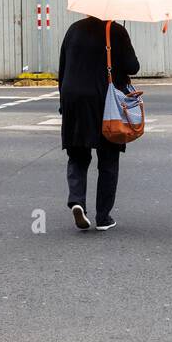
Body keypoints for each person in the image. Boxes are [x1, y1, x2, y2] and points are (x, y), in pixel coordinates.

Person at [58, 15, 140, 232]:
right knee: (108, 157)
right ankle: (103, 217)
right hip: (104, 102)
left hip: (73, 100)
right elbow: (133, 67)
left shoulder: (73, 29)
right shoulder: (116, 32)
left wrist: (62, 104)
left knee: (77, 155)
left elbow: (62, 69)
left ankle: (77, 201)